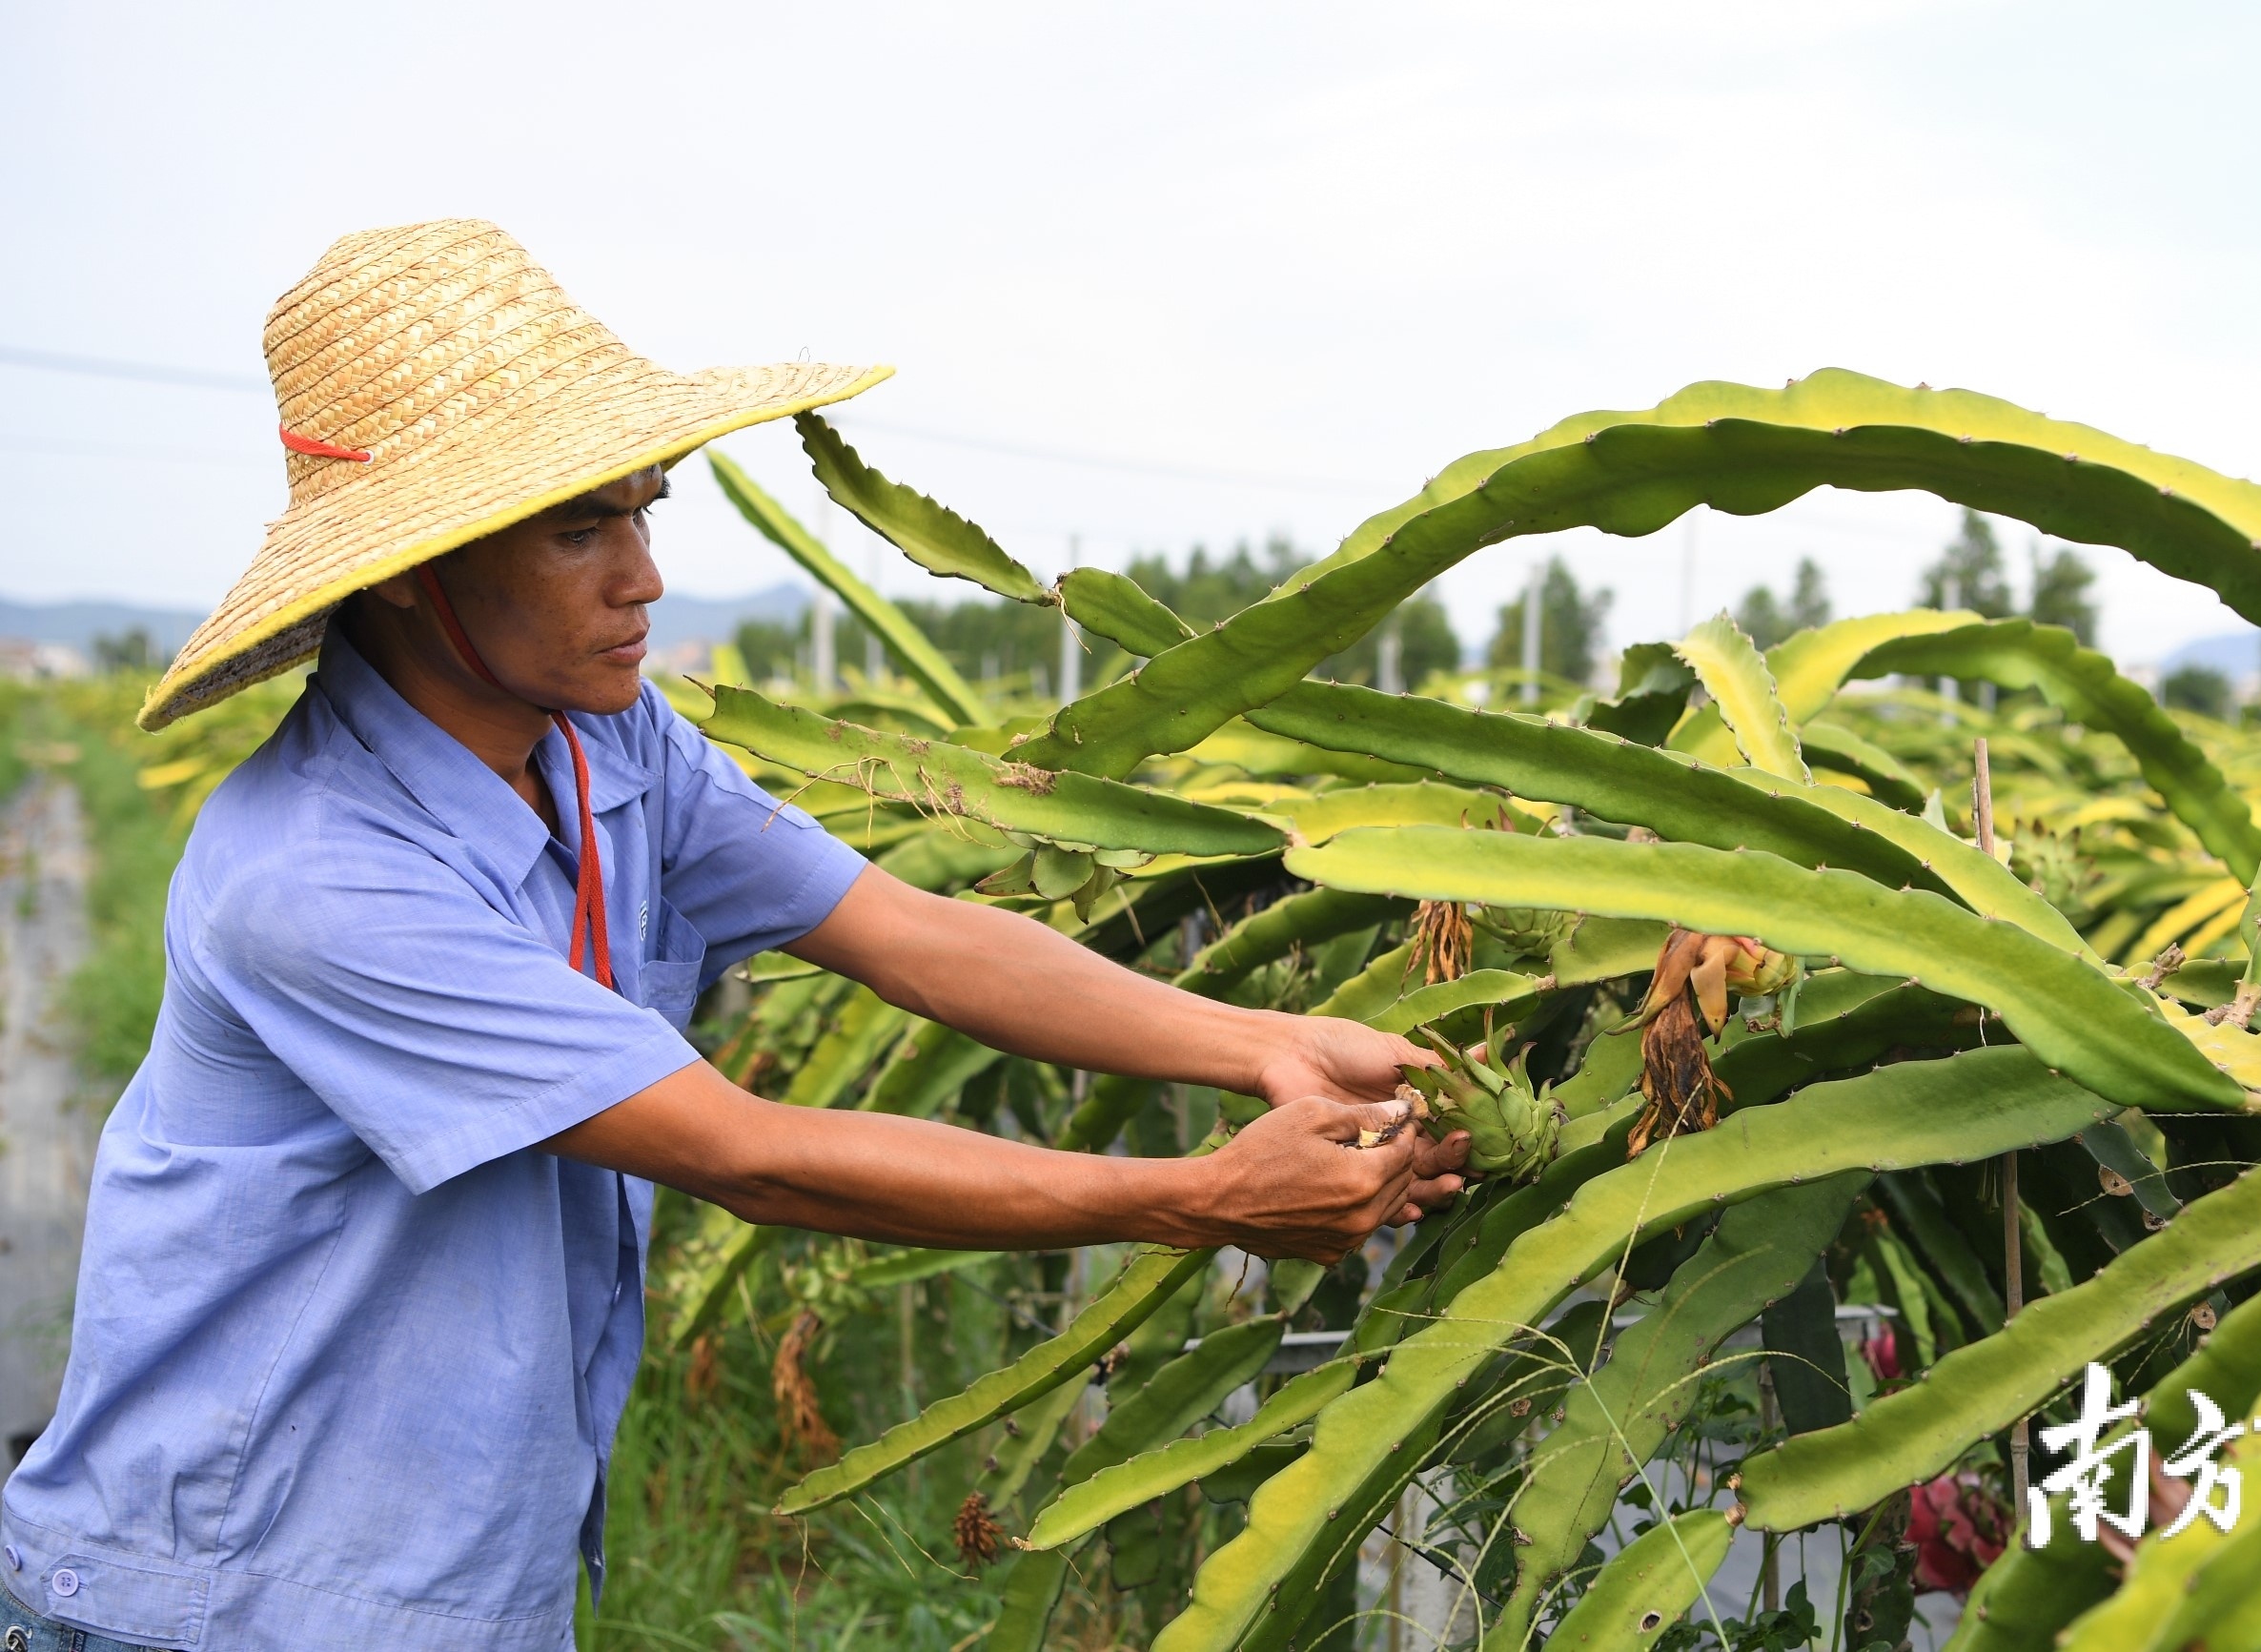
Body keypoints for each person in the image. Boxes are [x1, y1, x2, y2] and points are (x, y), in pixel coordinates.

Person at [0, 220, 1467, 1652]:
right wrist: (1199, 1196)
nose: (640, 575)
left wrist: (1262, 1041)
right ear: (407, 567)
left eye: (643, 509)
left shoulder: (615, 745)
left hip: (450, 1583)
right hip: (213, 1596)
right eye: (580, 527)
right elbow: (738, 1148)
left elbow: (905, 930)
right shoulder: (319, 873)